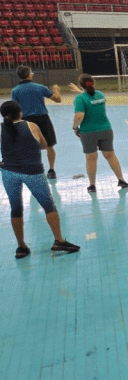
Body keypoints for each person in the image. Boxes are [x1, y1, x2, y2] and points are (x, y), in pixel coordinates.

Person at [0, 100, 79, 260]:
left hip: (9, 172)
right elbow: (44, 145)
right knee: (48, 205)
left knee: (16, 208)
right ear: (20, 112)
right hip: (33, 172)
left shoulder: (1, 129)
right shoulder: (31, 126)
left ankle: (21, 247)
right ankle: (59, 241)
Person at [69, 75, 128, 193]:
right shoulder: (101, 95)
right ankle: (121, 180)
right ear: (93, 83)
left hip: (89, 131)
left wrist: (75, 127)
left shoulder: (80, 99)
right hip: (106, 130)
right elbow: (91, 97)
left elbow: (79, 116)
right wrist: (80, 91)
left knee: (91, 158)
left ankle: (92, 185)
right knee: (110, 155)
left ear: (81, 85)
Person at [11, 65, 61, 179]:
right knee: (49, 145)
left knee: (29, 146)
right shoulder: (40, 87)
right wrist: (57, 90)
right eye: (31, 72)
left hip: (26, 121)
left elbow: (15, 109)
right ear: (29, 74)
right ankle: (51, 170)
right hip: (42, 118)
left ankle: (33, 169)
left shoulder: (15, 91)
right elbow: (58, 99)